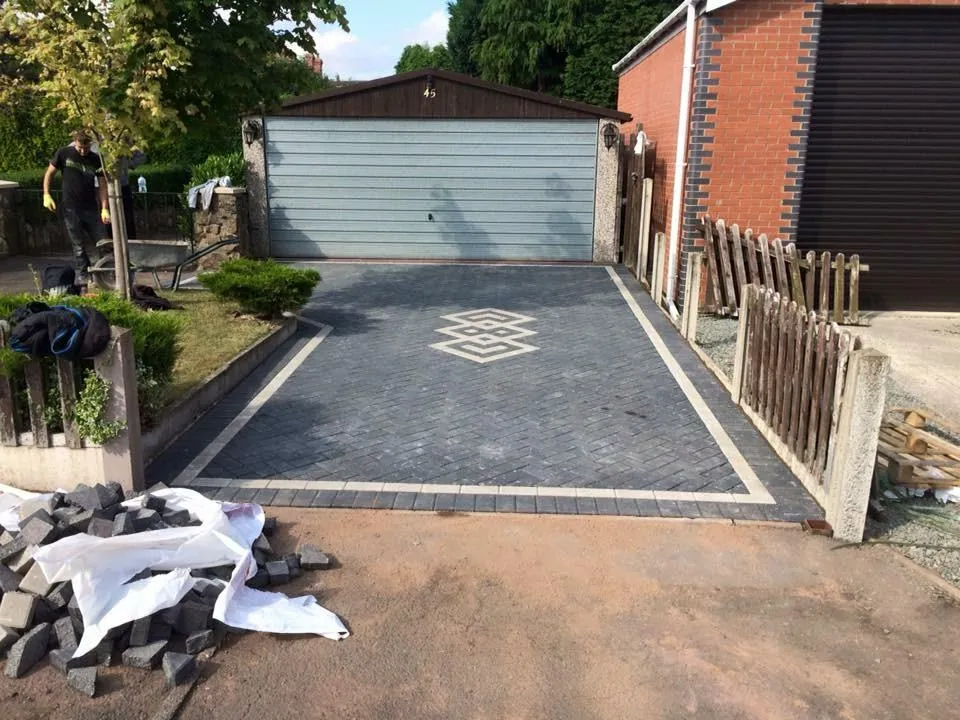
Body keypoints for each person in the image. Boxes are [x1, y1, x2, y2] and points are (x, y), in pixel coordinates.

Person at [42, 130, 110, 285]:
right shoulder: (64, 153)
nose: (82, 151)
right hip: (70, 207)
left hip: (91, 208)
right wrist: (46, 194)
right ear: (75, 142)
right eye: (80, 147)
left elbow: (103, 185)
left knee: (103, 243)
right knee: (78, 245)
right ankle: (85, 274)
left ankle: (106, 273)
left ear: (91, 145)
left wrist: (104, 208)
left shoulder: (96, 159)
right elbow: (49, 173)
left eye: (86, 148)